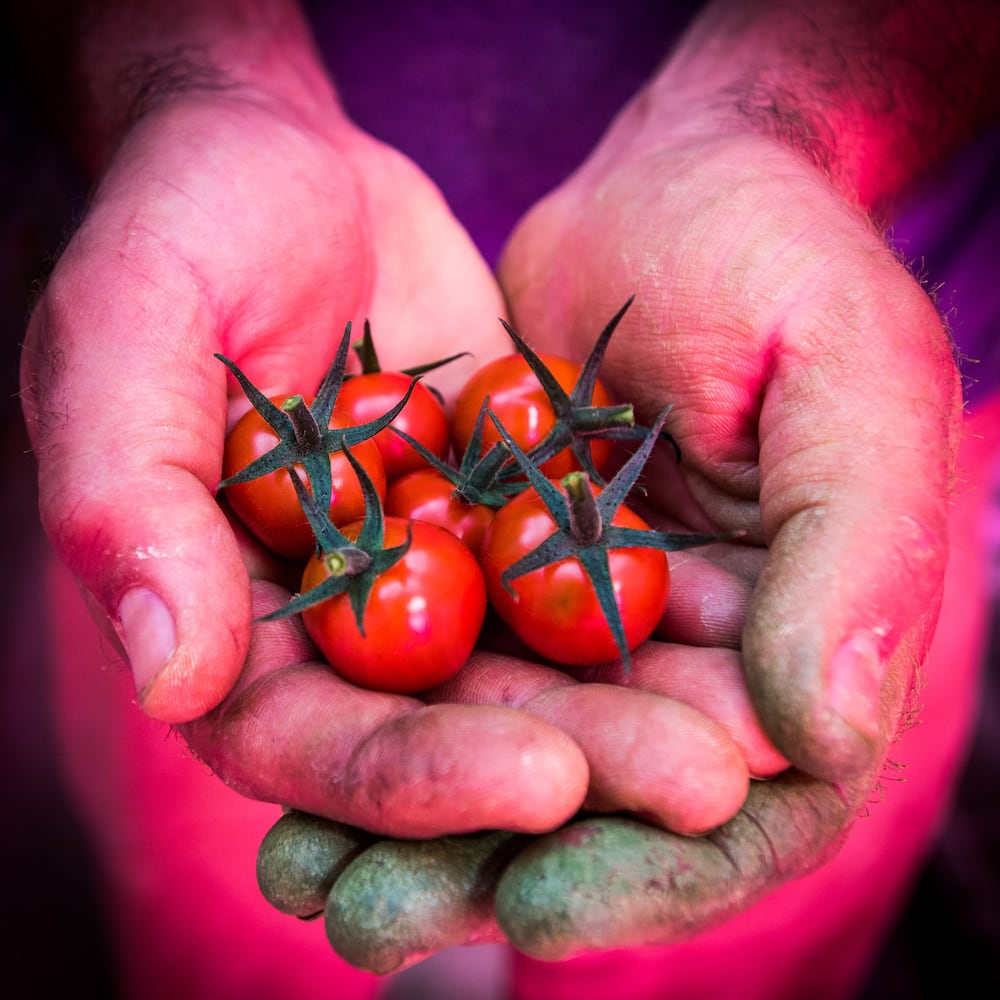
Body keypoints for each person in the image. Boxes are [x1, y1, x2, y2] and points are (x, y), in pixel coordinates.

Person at [6, 0, 999, 996]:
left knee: (730, 910)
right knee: (216, 927)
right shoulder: (390, 486)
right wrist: (188, 81)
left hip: (815, 394)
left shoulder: (428, 501)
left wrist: (793, 118)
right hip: (210, 387)